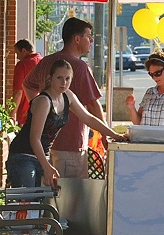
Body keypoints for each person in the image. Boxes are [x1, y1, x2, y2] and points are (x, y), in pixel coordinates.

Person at [6, 59, 126, 235]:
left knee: (42, 207)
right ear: (50, 78)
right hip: (24, 156)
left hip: (40, 156)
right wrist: (47, 166)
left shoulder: (68, 96)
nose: (63, 83)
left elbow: (88, 117)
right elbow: (34, 139)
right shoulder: (43, 101)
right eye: (59, 78)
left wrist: (113, 134)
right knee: (25, 205)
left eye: (68, 79)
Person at [23, 18, 106, 179]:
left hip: (43, 146)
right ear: (77, 39)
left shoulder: (46, 61)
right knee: (69, 199)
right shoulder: (80, 68)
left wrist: (40, 112)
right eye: (88, 36)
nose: (91, 40)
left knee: (50, 198)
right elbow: (94, 105)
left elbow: (28, 85)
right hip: (71, 145)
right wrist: (105, 135)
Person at [125, 50, 164, 129]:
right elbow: (138, 123)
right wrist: (131, 108)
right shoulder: (150, 92)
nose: (154, 77)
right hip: (146, 139)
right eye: (151, 74)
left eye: (158, 73)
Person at [10, 39, 42, 126]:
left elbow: (18, 92)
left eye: (17, 53)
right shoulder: (43, 62)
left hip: (25, 114)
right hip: (43, 112)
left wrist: (11, 115)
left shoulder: (22, 65)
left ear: (24, 50)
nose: (17, 57)